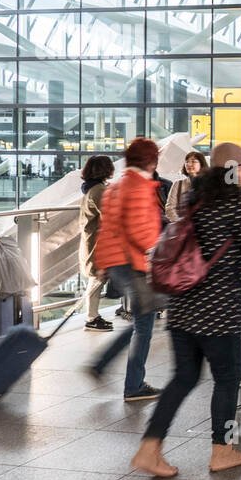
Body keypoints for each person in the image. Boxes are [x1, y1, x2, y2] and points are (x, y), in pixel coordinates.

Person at [130, 143, 241, 478]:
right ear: (234, 168)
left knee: (183, 377)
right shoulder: (234, 202)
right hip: (218, 311)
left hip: (183, 306)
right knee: (228, 378)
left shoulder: (195, 197)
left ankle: (150, 447)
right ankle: (222, 450)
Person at [89, 138, 164, 402]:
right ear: (150, 160)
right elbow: (139, 231)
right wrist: (157, 249)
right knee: (145, 323)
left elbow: (106, 227)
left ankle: (103, 364)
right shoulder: (139, 186)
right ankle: (133, 385)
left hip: (116, 260)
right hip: (133, 262)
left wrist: (102, 263)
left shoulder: (117, 185)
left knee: (143, 321)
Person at [79, 155, 115, 332]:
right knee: (96, 279)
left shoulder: (90, 188)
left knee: (96, 279)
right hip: (97, 241)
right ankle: (92, 317)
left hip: (92, 238)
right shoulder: (98, 190)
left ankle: (93, 316)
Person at [164, 150, 207, 223]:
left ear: (201, 164)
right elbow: (170, 208)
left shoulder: (208, 184)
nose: (189, 164)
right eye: (187, 162)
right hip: (182, 227)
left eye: (193, 161)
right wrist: (181, 223)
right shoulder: (178, 184)